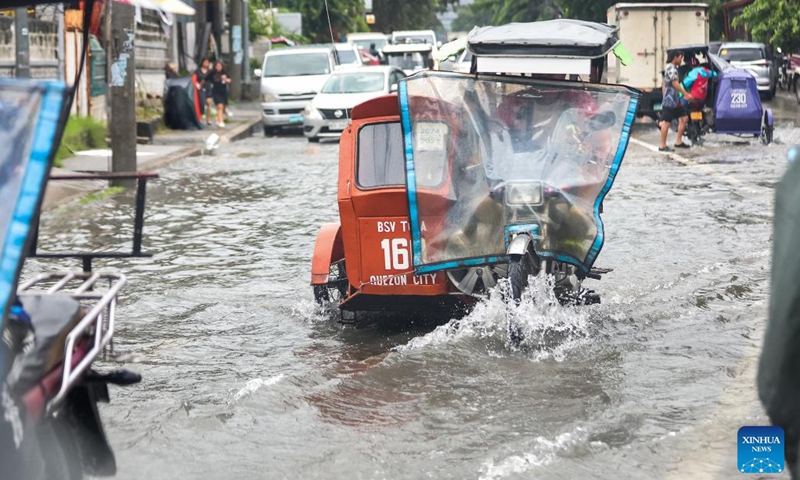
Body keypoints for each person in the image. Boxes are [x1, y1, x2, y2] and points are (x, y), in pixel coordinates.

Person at [658, 50, 694, 152]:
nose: (681, 60)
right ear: (675, 57)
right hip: (670, 100)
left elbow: (664, 84)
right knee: (666, 122)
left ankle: (678, 141)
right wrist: (686, 94)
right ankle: (662, 145)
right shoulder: (671, 69)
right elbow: (675, 83)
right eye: (680, 57)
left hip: (675, 100)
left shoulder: (672, 68)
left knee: (684, 118)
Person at [210, 61, 231, 128]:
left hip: (223, 91)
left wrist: (226, 80)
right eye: (217, 66)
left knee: (223, 107)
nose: (218, 67)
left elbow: (229, 80)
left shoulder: (224, 72)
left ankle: (218, 118)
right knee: (219, 106)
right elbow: (206, 79)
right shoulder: (212, 73)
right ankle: (221, 121)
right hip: (216, 91)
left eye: (220, 66)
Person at [195, 58, 213, 126]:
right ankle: (201, 117)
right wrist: (197, 85)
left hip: (208, 88)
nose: (206, 63)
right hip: (200, 88)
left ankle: (209, 119)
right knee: (201, 103)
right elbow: (194, 78)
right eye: (205, 62)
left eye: (207, 62)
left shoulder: (210, 71)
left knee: (209, 103)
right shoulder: (198, 71)